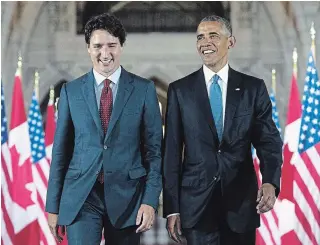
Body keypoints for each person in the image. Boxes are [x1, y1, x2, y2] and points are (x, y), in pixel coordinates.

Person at [162, 15, 283, 245]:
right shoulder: (180, 91)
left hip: (241, 207)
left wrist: (270, 181)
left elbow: (269, 141)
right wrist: (172, 208)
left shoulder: (252, 89)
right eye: (200, 37)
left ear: (231, 42)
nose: (205, 42)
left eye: (213, 36)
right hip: (197, 209)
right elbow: (171, 155)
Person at [46, 13, 163, 245]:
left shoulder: (143, 90)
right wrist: (53, 206)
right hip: (81, 197)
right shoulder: (71, 91)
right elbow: (61, 152)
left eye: (112, 45)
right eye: (98, 46)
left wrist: (150, 201)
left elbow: (154, 152)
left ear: (121, 47)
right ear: (88, 48)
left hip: (128, 196)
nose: (105, 53)